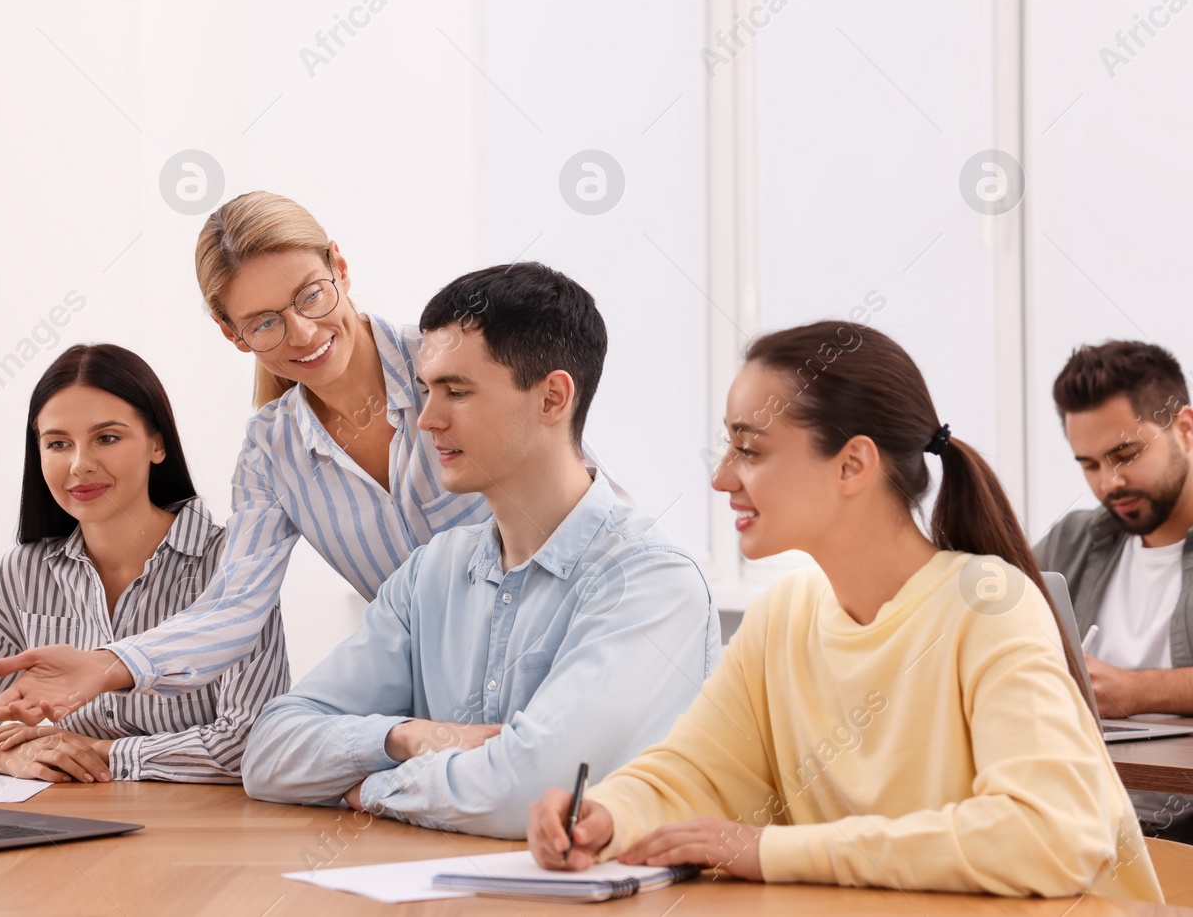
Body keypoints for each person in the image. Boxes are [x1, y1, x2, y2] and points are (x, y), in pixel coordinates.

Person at [526, 321, 1161, 901]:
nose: (722, 477)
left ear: (853, 464)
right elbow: (694, 773)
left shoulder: (987, 605)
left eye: (750, 450)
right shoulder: (785, 617)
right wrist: (606, 816)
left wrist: (769, 851)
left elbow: (1046, 836)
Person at [0, 193, 621, 725]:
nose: (303, 333)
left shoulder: (451, 368)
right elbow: (234, 607)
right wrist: (110, 663)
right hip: (441, 702)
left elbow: (579, 492)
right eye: (264, 323)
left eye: (310, 296)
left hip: (563, 657)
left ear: (339, 267)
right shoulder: (272, 451)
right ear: (233, 334)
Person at [240, 263, 718, 838]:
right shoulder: (431, 573)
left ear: (552, 399)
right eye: (425, 390)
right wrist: (404, 736)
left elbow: (530, 793)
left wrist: (368, 787)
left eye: (457, 392)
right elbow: (268, 752)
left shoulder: (651, 583)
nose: (427, 420)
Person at [0, 344, 289, 783]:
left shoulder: (233, 563)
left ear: (157, 443)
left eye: (107, 438)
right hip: (79, 825)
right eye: (58, 444)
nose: (80, 465)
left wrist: (103, 753)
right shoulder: (19, 577)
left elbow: (250, 741)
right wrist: (0, 757)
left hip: (206, 832)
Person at [1034, 340, 1193, 840]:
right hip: (1078, 808)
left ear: (1186, 429)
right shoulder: (1073, 540)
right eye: (1089, 464)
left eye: (1126, 453)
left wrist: (1138, 690)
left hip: (1174, 819)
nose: (1110, 482)